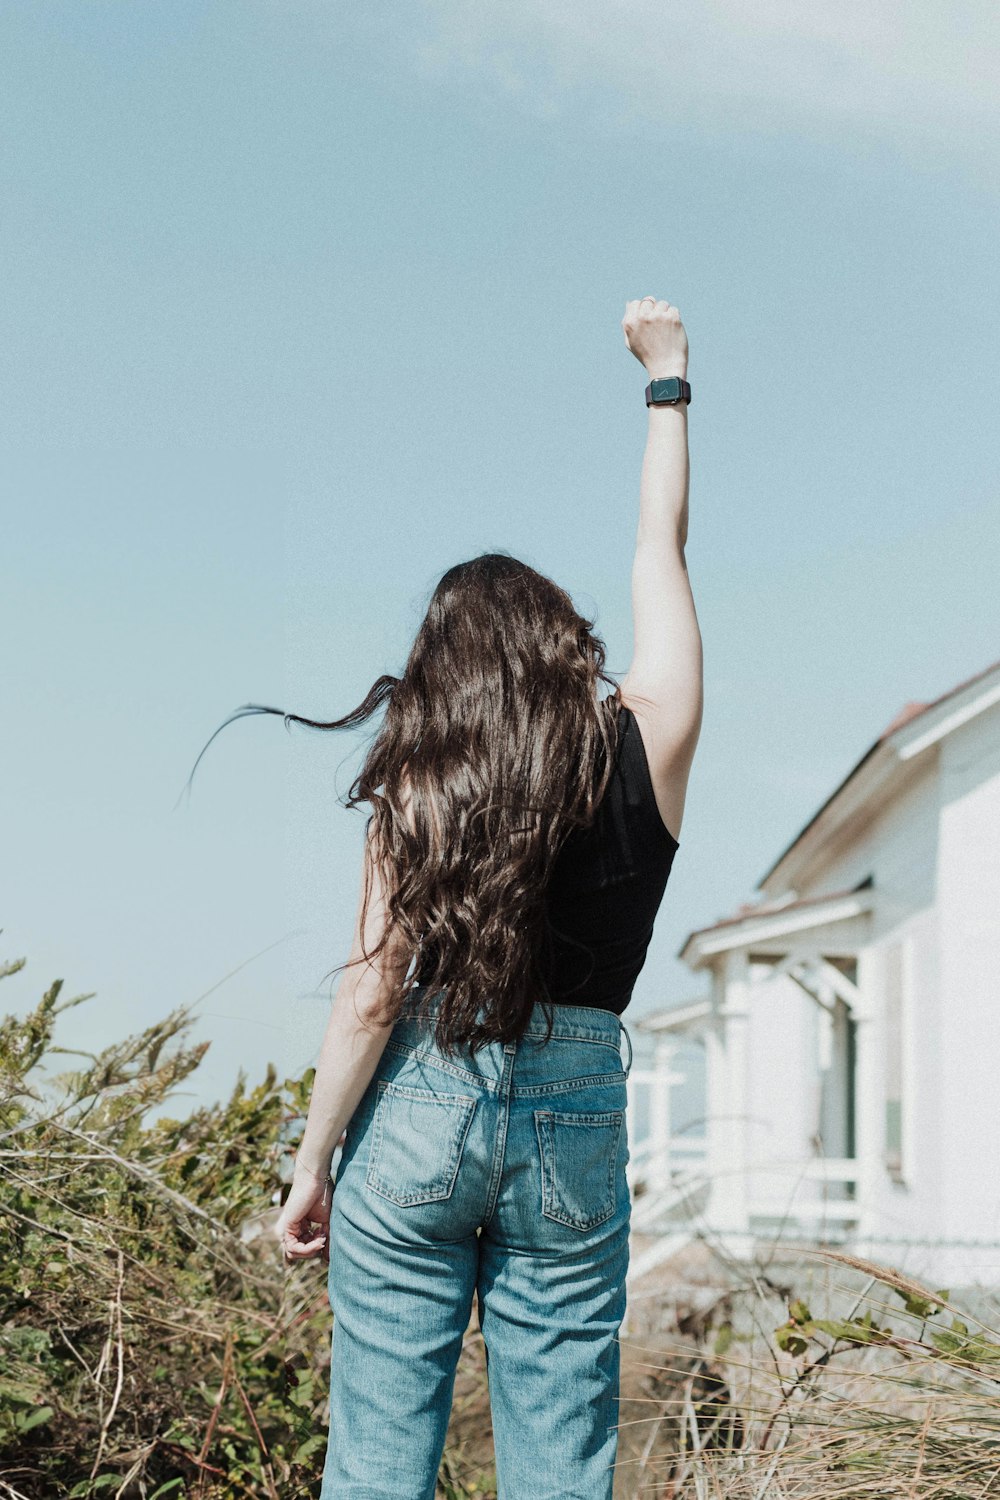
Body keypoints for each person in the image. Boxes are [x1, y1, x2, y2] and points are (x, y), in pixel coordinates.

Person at [276, 297, 702, 1498]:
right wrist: (666, 382)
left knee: (373, 1459)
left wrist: (313, 1163)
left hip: (418, 1103)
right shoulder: (652, 740)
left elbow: (369, 997)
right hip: (573, 1115)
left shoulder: (418, 783)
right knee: (562, 1464)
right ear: (565, 642)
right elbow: (658, 553)